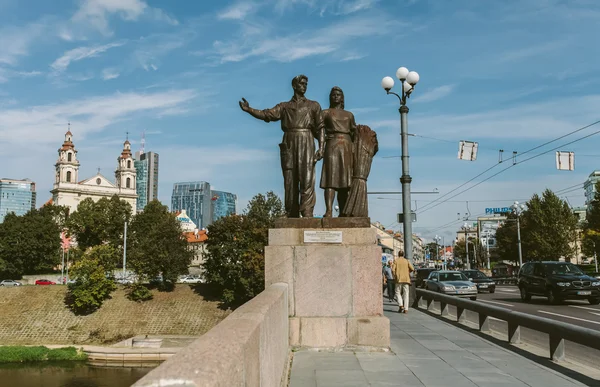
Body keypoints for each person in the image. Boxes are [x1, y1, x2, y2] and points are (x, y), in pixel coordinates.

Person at [239, 75, 324, 217]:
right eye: (301, 83)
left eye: (306, 84)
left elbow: (321, 127)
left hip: (306, 140)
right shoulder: (284, 106)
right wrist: (249, 109)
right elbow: (267, 114)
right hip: (289, 141)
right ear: (294, 86)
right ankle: (291, 211)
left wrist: (321, 147)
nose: (304, 86)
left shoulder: (313, 105)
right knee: (289, 178)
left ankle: (307, 211)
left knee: (307, 176)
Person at [320, 86, 356, 217]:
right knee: (330, 179)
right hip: (332, 145)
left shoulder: (349, 115)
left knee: (345, 181)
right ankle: (329, 210)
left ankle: (344, 211)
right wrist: (323, 139)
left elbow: (354, 132)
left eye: (338, 94)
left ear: (342, 98)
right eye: (333, 94)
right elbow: (317, 129)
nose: (335, 96)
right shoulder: (325, 113)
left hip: (346, 146)